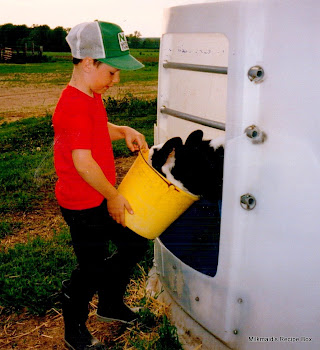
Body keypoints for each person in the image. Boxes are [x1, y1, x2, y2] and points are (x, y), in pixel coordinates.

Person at [52, 21, 150, 350]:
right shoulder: (72, 105)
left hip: (100, 197)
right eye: (112, 72)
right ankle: (74, 327)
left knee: (134, 244)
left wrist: (122, 129)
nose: (116, 79)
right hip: (82, 204)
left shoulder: (90, 95)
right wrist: (113, 196)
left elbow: (96, 129)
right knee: (91, 267)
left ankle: (109, 304)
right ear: (89, 63)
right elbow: (83, 162)